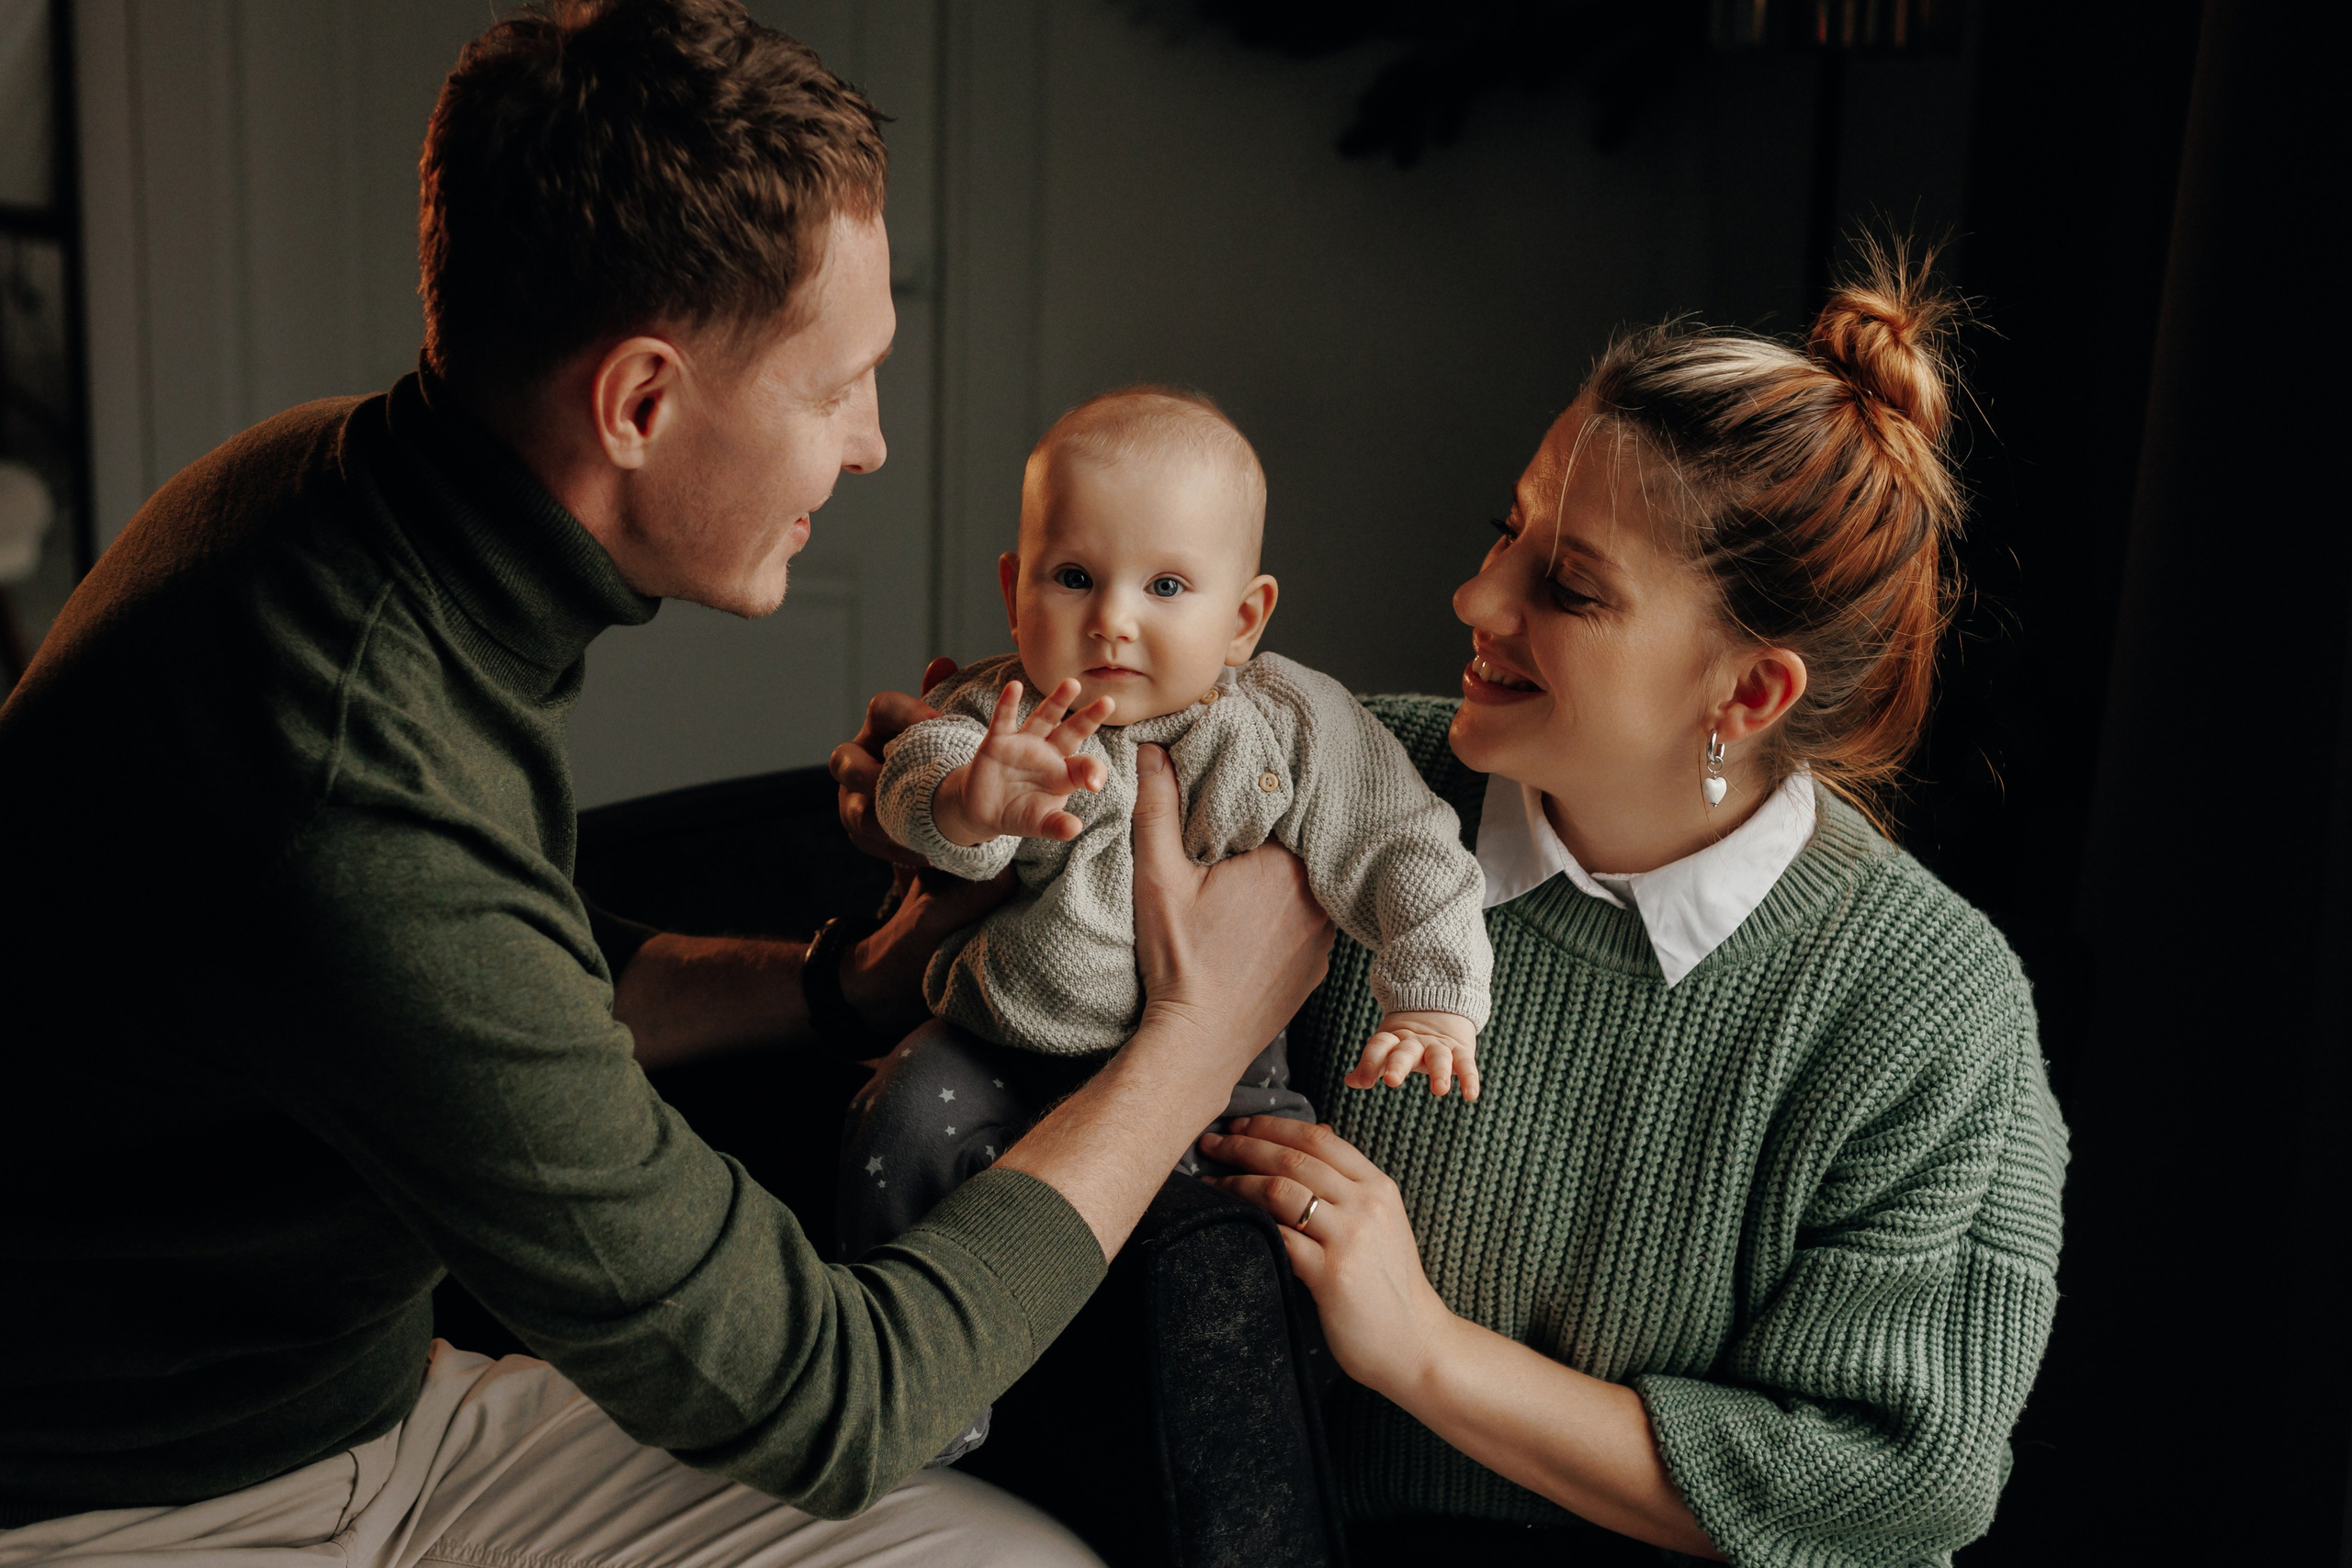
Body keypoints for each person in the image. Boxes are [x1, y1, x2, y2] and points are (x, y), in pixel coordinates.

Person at [0, 6, 1331, 1567]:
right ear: (638, 403)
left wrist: (857, 983)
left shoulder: (346, 497)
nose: (875, 445)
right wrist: (1196, 1038)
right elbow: (834, 1398)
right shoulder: (348, 772)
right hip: (145, 1503)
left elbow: (518, 971)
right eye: (836, 389)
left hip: (375, 1405)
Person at [837, 250, 2067, 1566]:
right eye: (1507, 528)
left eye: (1568, 584)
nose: (1476, 598)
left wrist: (1421, 1347)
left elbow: (1894, 1478)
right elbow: (1046, 991)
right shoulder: (1349, 778)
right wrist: (937, 841)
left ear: (1749, 696)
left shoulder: (1928, 1005)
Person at [836, 389, 1491, 1460]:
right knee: (896, 1118)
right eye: (1074, 578)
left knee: (1274, 1231)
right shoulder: (1003, 715)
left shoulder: (1287, 725)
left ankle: (1262, 1438)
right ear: (1014, 591)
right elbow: (915, 780)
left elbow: (1403, 845)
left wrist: (1432, 996)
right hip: (994, 1046)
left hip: (1225, 1074)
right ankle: (926, 1416)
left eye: (1168, 586)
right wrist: (969, 806)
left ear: (1243, 616)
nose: (1112, 619)